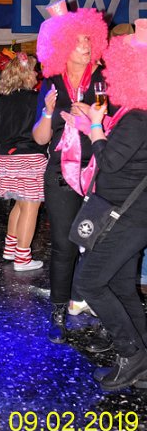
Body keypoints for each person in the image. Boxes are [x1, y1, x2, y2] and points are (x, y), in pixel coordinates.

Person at [64, 19, 147, 390]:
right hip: (132, 213)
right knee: (123, 286)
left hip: (126, 216)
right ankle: (143, 358)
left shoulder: (138, 117)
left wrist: (96, 126)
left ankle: (131, 354)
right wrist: (92, 124)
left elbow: (110, 161)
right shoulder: (135, 112)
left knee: (90, 282)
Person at [32, 0, 108, 344]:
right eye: (77, 41)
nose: (85, 46)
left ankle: (96, 303)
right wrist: (49, 113)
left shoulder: (103, 82)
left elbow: (116, 128)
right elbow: (40, 138)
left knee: (96, 243)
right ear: (63, 46)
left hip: (98, 171)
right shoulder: (51, 84)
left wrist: (91, 119)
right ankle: (59, 309)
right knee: (63, 244)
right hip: (60, 173)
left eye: (88, 39)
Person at [0, 53, 47, 271]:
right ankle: (22, 258)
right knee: (31, 206)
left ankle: (10, 247)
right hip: (28, 156)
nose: (36, 74)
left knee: (19, 203)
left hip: (5, 157)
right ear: (25, 74)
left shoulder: (2, 99)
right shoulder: (35, 98)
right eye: (33, 70)